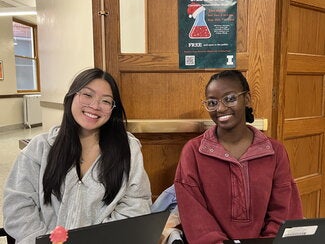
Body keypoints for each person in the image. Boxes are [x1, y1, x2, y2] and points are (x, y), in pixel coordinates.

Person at [3, 68, 152, 243]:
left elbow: (137, 205)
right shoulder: (40, 148)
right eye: (87, 95)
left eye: (105, 101)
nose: (95, 106)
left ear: (113, 109)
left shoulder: (127, 149)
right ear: (71, 97)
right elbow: (17, 206)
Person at [174, 70, 303, 244]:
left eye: (230, 99)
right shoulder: (193, 152)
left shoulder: (275, 151)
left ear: (247, 99)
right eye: (212, 102)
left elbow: (284, 211)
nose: (220, 108)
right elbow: (195, 217)